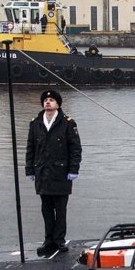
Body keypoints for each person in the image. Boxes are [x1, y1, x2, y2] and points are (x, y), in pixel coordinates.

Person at [25, 90, 82, 255]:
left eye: (51, 100)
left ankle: (59, 240)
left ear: (58, 104)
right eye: (46, 100)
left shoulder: (68, 123)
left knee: (61, 208)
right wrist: (30, 169)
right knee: (46, 208)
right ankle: (48, 240)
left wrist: (73, 169)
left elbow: (75, 148)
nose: (48, 102)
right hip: (42, 173)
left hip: (61, 173)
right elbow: (30, 148)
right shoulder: (35, 123)